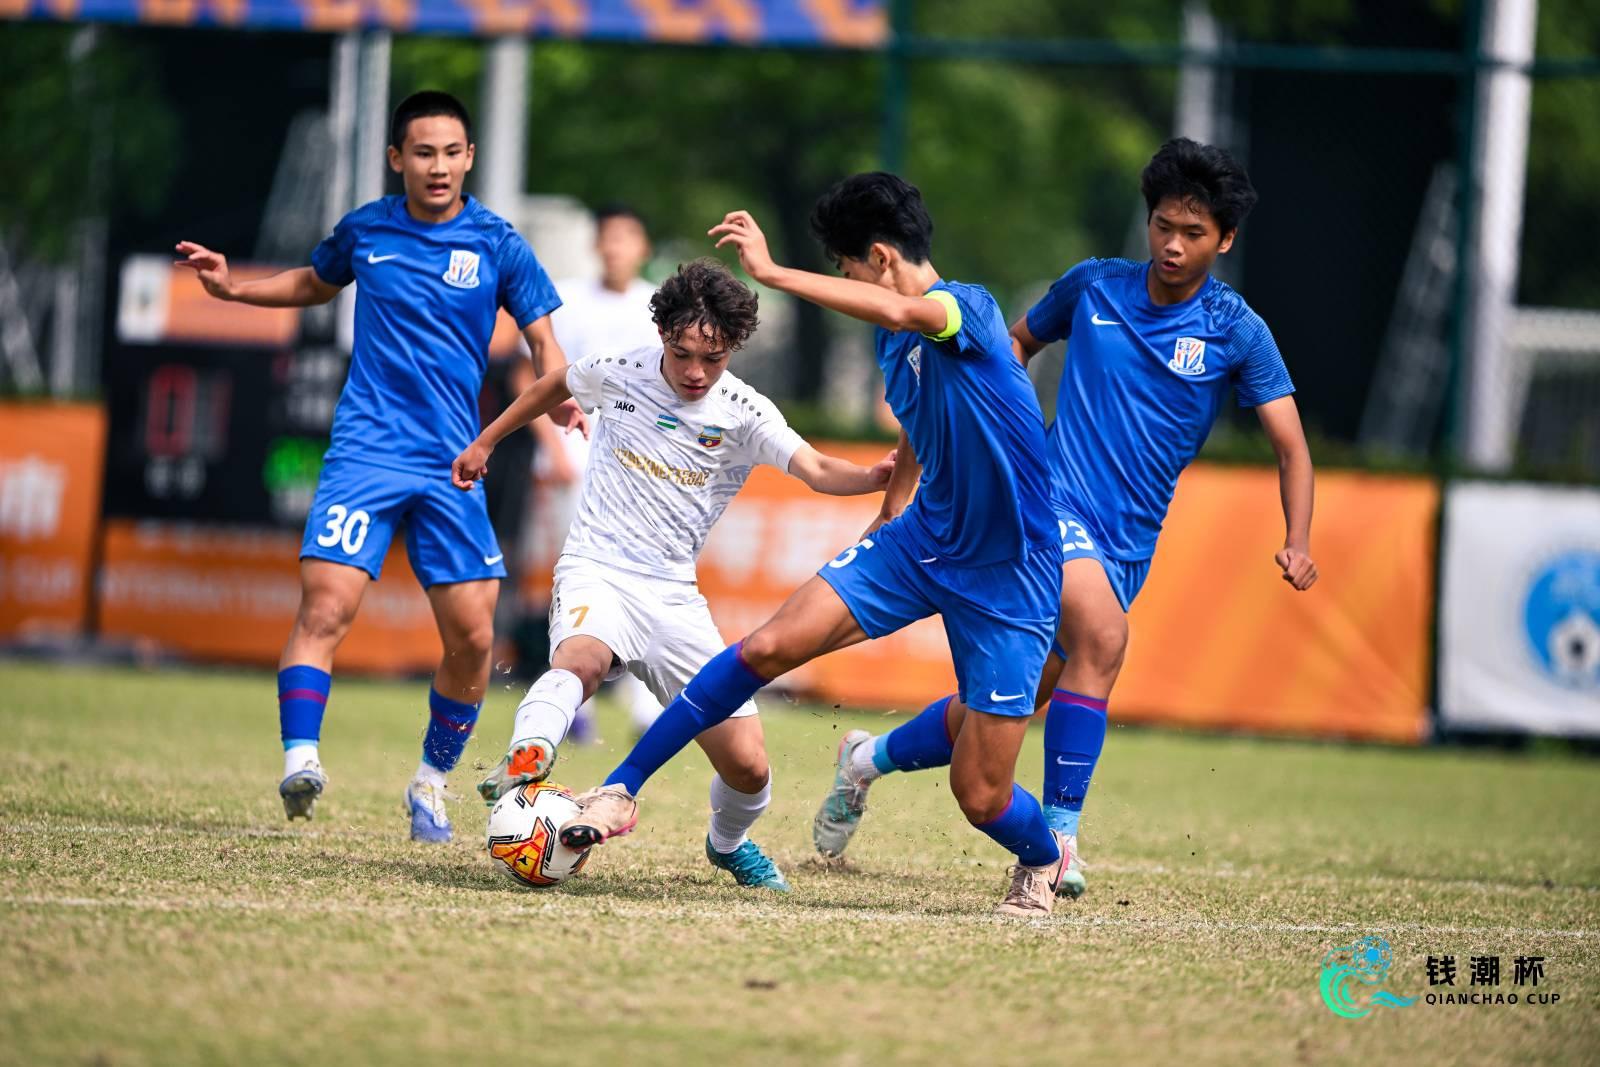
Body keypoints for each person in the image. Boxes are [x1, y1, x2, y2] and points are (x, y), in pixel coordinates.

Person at [553, 173, 1075, 917]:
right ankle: (619, 789)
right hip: (922, 541)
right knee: (768, 646)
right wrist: (889, 514)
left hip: (1011, 574)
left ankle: (1043, 855)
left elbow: (903, 307)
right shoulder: (897, 349)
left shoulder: (971, 310)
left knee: (981, 793)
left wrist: (768, 273)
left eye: (845, 266)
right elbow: (917, 434)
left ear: (880, 256)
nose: (845, 282)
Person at [811, 138, 1318, 899]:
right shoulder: (1093, 287)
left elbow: (1291, 447)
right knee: (1105, 637)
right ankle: (1060, 841)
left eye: (1193, 232)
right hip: (1048, 505)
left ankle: (866, 758)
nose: (1172, 245)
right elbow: (1003, 346)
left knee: (1010, 705)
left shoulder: (1237, 330)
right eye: (1161, 226)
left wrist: (1298, 539)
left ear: (1226, 239)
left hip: (1127, 544)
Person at [175, 90, 583, 843]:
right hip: (366, 451)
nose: (437, 166)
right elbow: (313, 280)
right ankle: (302, 757)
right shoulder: (367, 229)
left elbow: (543, 343)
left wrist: (557, 396)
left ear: (468, 158)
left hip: (454, 462)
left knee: (472, 638)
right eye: (421, 152)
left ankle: (430, 783)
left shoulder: (497, 242)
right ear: (398, 158)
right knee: (325, 609)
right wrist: (234, 287)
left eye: (450, 152)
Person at [454, 258, 894, 891]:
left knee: (748, 769)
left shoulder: (745, 412)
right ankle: (530, 757)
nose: (694, 371)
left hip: (672, 598)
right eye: (682, 352)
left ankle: (729, 843)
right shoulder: (621, 371)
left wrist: (869, 479)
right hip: (596, 569)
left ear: (733, 348)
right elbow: (552, 384)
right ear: (663, 334)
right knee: (577, 662)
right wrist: (486, 441)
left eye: (710, 359)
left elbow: (816, 469)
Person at [541, 203, 665, 736]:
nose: (615, 248)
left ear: (643, 249)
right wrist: (550, 448)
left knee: (645, 575)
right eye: (608, 238)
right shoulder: (566, 301)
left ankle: (644, 700)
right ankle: (574, 703)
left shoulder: (657, 307)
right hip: (577, 458)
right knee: (577, 578)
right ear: (596, 245)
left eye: (627, 238)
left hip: (641, 467)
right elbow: (539, 376)